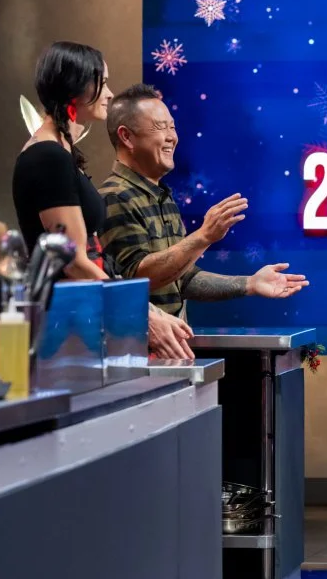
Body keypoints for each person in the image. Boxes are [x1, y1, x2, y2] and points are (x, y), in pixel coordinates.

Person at [10, 41, 195, 360]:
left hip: (82, 322)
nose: (109, 94)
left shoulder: (60, 152)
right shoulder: (47, 156)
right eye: (102, 83)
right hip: (65, 332)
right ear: (76, 88)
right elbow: (73, 261)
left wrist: (147, 310)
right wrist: (142, 313)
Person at [98, 83, 308, 321]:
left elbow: (182, 278)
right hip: (136, 342)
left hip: (174, 341)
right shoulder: (115, 196)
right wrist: (203, 236)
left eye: (172, 127)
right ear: (126, 137)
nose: (172, 138)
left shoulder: (161, 195)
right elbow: (136, 279)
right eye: (160, 127)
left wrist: (249, 284)